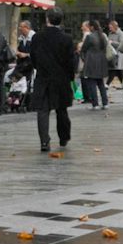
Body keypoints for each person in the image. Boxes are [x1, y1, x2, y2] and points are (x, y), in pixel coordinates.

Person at [29, 8, 78, 153]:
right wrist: (70, 76)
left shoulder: (37, 37)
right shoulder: (67, 38)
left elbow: (33, 57)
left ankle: (44, 141)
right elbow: (71, 61)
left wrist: (40, 67)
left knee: (43, 110)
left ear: (47, 19)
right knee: (61, 109)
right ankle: (64, 137)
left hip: (43, 77)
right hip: (61, 78)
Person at [77, 20, 109, 109]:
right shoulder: (103, 36)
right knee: (100, 83)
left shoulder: (90, 37)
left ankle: (95, 104)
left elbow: (83, 49)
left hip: (91, 61)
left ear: (91, 27)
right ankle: (105, 103)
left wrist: (84, 59)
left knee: (92, 83)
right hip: (101, 61)